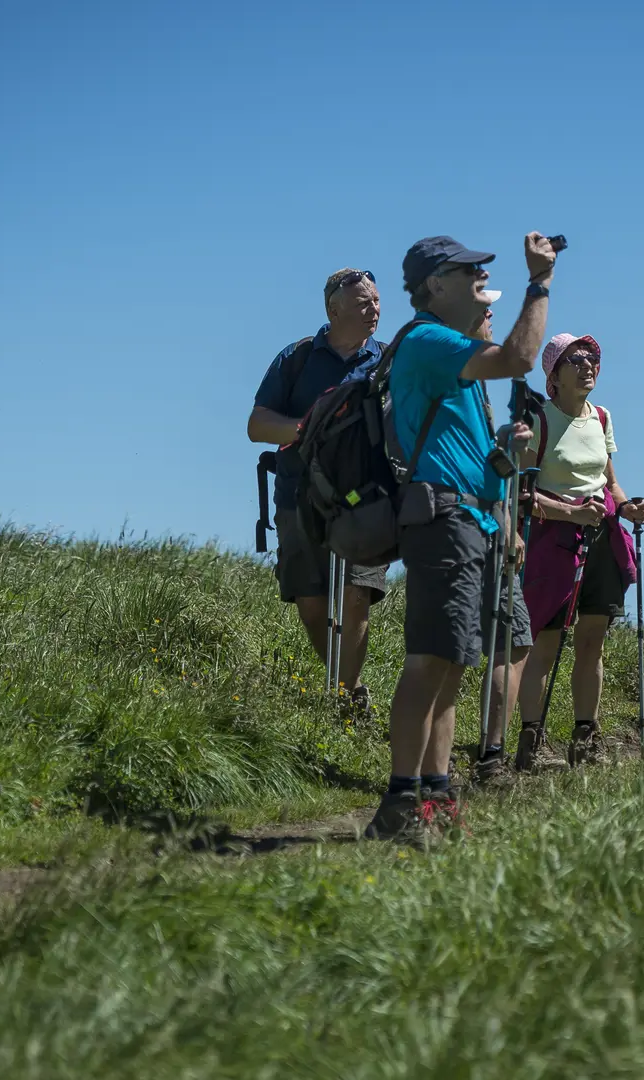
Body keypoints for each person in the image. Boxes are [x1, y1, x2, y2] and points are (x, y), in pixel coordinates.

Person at [365, 233, 559, 842]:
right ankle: (400, 801)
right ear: (434, 286)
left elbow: (468, 449)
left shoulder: (458, 361)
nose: (481, 280)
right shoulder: (428, 341)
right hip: (443, 522)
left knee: (452, 664)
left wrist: (505, 456)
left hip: (470, 521)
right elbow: (522, 359)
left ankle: (436, 794)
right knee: (429, 661)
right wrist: (539, 283)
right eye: (468, 271)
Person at [489, 333, 644, 773]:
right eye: (575, 359)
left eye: (593, 358)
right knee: (546, 641)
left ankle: (586, 735)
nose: (588, 365)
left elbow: (609, 480)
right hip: (551, 538)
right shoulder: (537, 420)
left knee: (592, 640)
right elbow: (519, 493)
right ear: (553, 373)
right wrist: (569, 513)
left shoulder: (601, 417)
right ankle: (531, 738)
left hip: (601, 535)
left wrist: (628, 505)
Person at [246, 268, 390, 715]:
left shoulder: (387, 362)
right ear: (334, 309)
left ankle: (345, 699)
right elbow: (257, 425)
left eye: (377, 301)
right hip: (299, 495)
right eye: (363, 302)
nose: (374, 310)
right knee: (309, 600)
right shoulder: (298, 357)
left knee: (356, 593)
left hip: (365, 501)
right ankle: (346, 684)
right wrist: (305, 428)